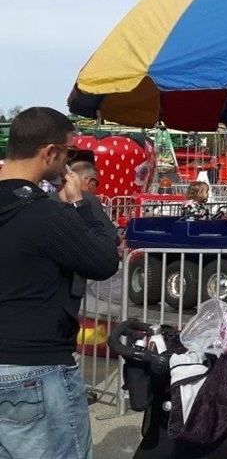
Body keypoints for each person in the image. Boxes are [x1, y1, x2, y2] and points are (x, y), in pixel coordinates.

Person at [0, 107, 120, 458]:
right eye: (68, 152)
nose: (69, 161)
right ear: (49, 152)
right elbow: (103, 260)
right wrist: (80, 204)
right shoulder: (45, 213)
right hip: (36, 365)